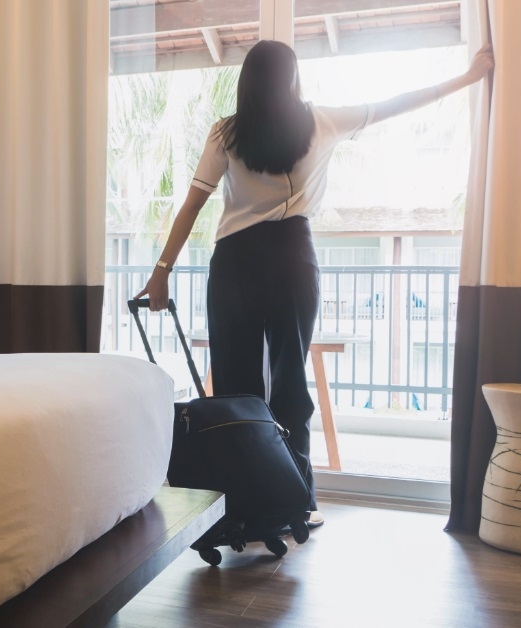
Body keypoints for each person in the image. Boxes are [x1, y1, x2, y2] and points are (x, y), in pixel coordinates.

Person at [136, 40, 494, 526]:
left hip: (235, 263)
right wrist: (468, 77)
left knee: (236, 390)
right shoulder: (320, 121)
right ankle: (297, 502)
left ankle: (240, 506)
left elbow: (194, 203)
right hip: (291, 260)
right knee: (290, 385)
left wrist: (162, 271)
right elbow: (397, 103)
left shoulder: (227, 133)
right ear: (293, 78)